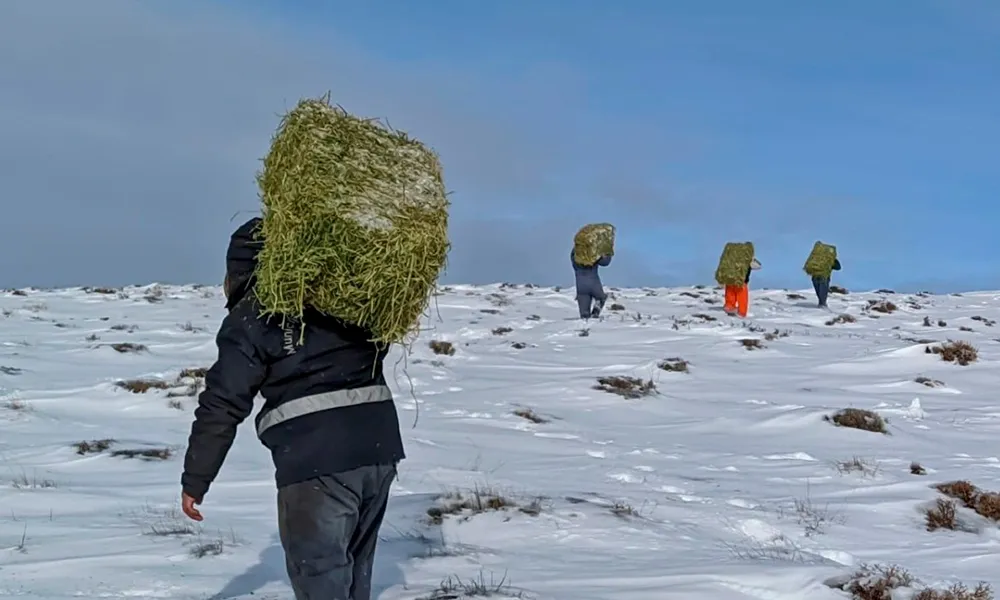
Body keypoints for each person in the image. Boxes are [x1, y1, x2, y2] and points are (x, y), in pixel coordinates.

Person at [180, 217, 404, 600]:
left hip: (316, 461)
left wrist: (195, 479)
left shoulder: (252, 317)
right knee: (354, 573)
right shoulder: (342, 297)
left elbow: (223, 402)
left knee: (322, 578)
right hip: (379, 449)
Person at [571, 249, 612, 319]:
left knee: (584, 314)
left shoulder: (575, 254)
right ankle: (595, 314)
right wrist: (608, 253)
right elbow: (605, 262)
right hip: (594, 284)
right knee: (601, 298)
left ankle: (584, 323)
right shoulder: (593, 252)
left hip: (581, 286)